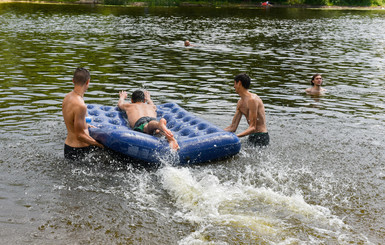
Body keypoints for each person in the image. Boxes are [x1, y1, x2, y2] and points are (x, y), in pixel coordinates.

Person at [62, 67, 103, 161]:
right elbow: (79, 135)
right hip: (79, 150)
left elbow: (71, 120)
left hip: (68, 147)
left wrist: (86, 124)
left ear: (73, 81)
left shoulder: (67, 97)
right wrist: (98, 144)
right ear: (88, 82)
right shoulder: (80, 105)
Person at [225, 73, 269, 147]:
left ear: (239, 83)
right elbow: (233, 127)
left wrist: (236, 136)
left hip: (261, 136)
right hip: (252, 136)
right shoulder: (240, 103)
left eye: (234, 83)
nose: (234, 86)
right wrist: (217, 133)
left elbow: (252, 127)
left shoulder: (252, 100)